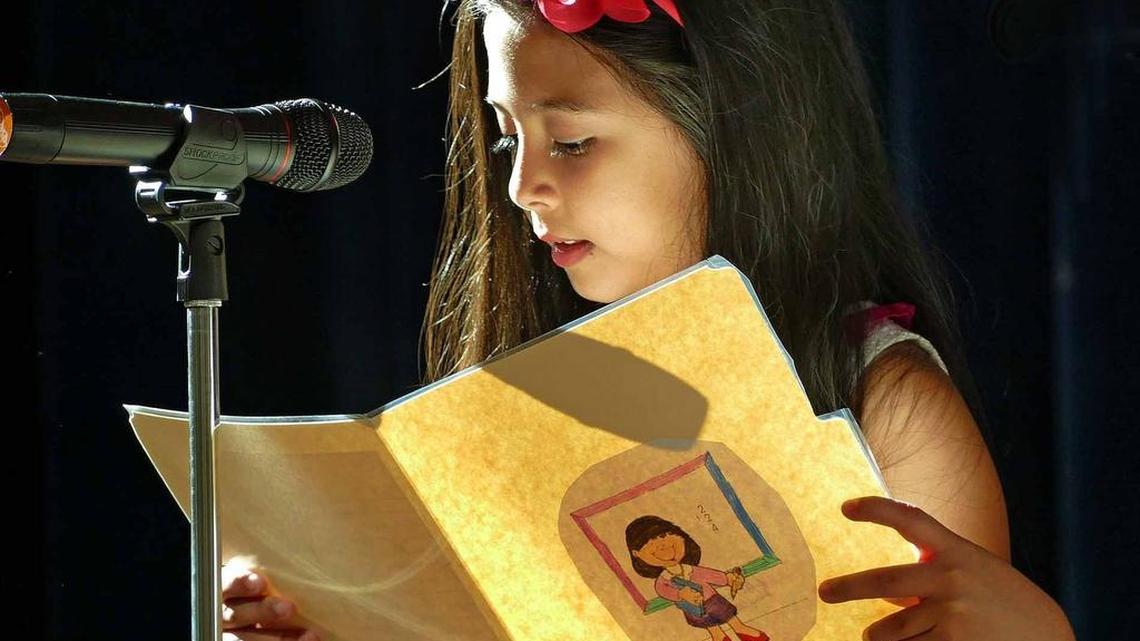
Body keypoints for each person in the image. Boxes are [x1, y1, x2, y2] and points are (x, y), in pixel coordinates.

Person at [220, 1, 1077, 640]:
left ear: (739, 130)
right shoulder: (523, 394)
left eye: (574, 141)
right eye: (507, 137)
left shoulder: (884, 401)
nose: (522, 188)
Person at [627, 515, 769, 641]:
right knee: (713, 629)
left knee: (733, 621)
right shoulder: (663, 580)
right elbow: (663, 591)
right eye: (651, 544)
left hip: (714, 601)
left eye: (664, 536)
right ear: (637, 554)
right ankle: (719, 636)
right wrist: (680, 594)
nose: (663, 547)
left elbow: (712, 576)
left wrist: (728, 579)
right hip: (693, 610)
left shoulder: (692, 570)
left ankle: (741, 630)